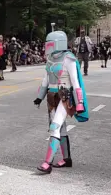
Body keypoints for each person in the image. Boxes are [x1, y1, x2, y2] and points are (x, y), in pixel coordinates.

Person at [33, 31, 89, 174]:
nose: (47, 46)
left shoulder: (68, 59)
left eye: (50, 43)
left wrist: (80, 102)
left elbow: (76, 82)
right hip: (52, 97)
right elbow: (45, 80)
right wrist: (40, 96)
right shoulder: (50, 59)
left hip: (65, 97)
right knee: (60, 128)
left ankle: (47, 163)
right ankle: (66, 159)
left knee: (55, 126)